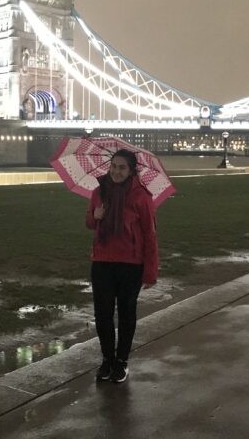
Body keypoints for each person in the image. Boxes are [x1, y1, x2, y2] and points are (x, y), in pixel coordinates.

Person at [86, 149, 158, 384]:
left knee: (127, 314)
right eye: (114, 166)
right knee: (103, 314)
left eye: (122, 168)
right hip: (102, 262)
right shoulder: (99, 192)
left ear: (131, 170)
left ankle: (121, 362)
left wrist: (150, 271)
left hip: (130, 265)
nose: (116, 171)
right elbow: (89, 222)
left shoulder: (141, 197)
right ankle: (107, 359)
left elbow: (149, 235)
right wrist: (96, 215)